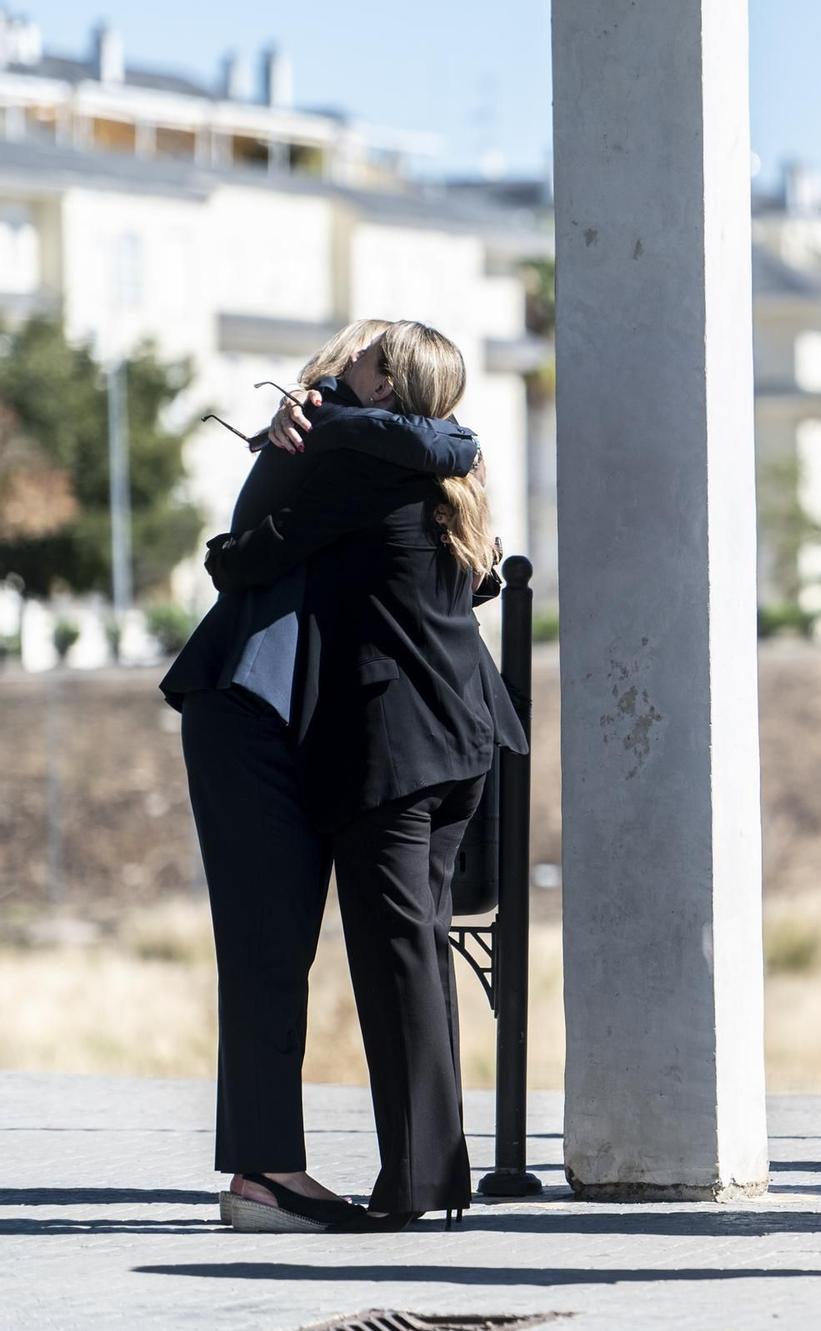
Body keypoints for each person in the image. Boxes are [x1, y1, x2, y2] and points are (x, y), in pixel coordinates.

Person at [162, 319, 481, 1232]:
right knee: (268, 946)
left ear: (383, 391)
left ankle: (318, 1172)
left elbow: (448, 440)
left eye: (365, 362)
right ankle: (266, 1173)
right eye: (350, 361)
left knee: (287, 946)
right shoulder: (318, 436)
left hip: (303, 721)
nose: (347, 370)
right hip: (250, 707)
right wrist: (318, 418)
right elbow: (244, 555)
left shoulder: (375, 447)